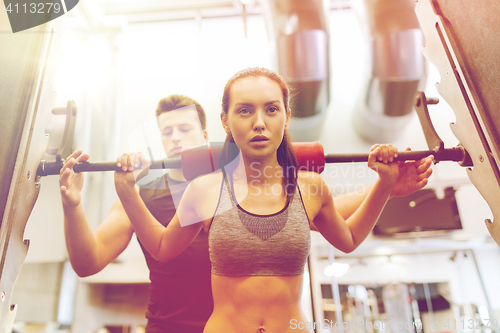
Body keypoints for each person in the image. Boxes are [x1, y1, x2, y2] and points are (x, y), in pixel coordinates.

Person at [113, 67, 434, 333]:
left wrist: (384, 183)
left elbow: (348, 239)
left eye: (271, 109)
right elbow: (161, 248)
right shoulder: (207, 190)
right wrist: (127, 191)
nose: (259, 122)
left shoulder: (309, 188)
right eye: (244, 110)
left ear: (286, 116)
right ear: (225, 120)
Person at [59, 95, 214, 333]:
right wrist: (73, 206)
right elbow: (87, 263)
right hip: (166, 327)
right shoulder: (140, 194)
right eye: (167, 131)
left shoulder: (227, 188)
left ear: (204, 137)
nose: (175, 137)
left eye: (184, 129)